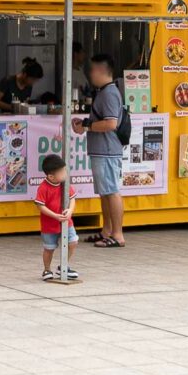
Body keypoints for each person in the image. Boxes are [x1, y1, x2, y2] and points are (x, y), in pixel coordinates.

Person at [72, 53, 125, 248]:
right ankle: (107, 231)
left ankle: (117, 235)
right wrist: (86, 124)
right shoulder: (104, 92)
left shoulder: (110, 93)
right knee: (105, 192)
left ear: (102, 71)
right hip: (101, 149)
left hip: (108, 150)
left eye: (92, 69)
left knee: (111, 191)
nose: (90, 73)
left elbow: (111, 124)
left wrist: (88, 127)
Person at [34, 155, 78, 281]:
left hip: (66, 221)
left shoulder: (65, 184)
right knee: (49, 248)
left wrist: (70, 210)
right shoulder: (43, 188)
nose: (65, 174)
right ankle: (47, 269)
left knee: (73, 242)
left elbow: (72, 198)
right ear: (51, 176)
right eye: (62, 172)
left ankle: (64, 266)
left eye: (65, 170)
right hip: (49, 225)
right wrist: (54, 216)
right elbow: (40, 206)